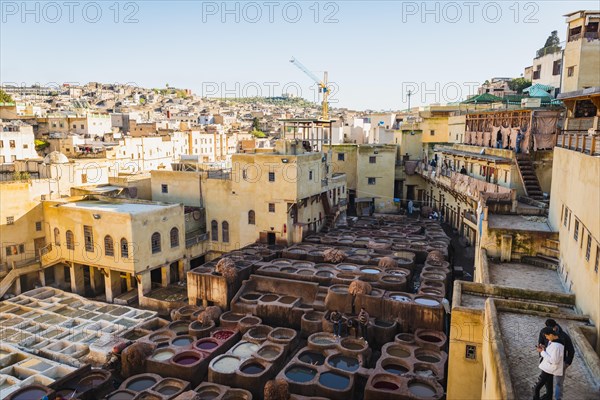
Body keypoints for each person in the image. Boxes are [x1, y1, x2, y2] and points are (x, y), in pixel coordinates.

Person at [538, 319, 575, 400]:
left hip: (560, 364)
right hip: (547, 363)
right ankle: (548, 396)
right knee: (547, 380)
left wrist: (567, 363)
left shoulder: (564, 336)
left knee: (559, 383)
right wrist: (542, 349)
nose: (546, 337)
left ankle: (558, 398)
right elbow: (541, 342)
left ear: (555, 327)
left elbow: (571, 350)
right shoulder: (544, 332)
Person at [534, 327, 564, 400]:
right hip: (548, 368)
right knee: (549, 389)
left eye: (547, 336)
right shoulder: (554, 341)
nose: (546, 338)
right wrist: (544, 349)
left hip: (548, 369)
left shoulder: (557, 346)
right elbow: (551, 353)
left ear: (551, 334)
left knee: (536, 388)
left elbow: (554, 360)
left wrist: (542, 352)